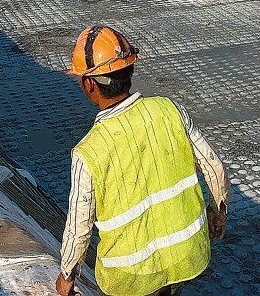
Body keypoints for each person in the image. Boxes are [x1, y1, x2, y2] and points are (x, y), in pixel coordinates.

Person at [57, 25, 228, 296]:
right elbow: (214, 167)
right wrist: (217, 213)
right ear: (129, 70)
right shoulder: (170, 111)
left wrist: (67, 275)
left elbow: (79, 227)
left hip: (128, 277)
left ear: (89, 83)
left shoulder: (88, 151)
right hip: (184, 256)